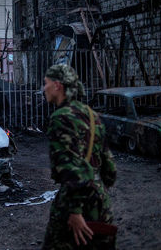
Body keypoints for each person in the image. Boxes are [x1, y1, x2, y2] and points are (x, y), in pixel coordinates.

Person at [42, 64, 117, 250]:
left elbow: (72, 170)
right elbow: (110, 170)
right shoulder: (92, 115)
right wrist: (98, 189)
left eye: (46, 83)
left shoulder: (61, 118)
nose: (44, 88)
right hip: (101, 203)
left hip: (75, 206)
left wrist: (75, 211)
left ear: (57, 85)